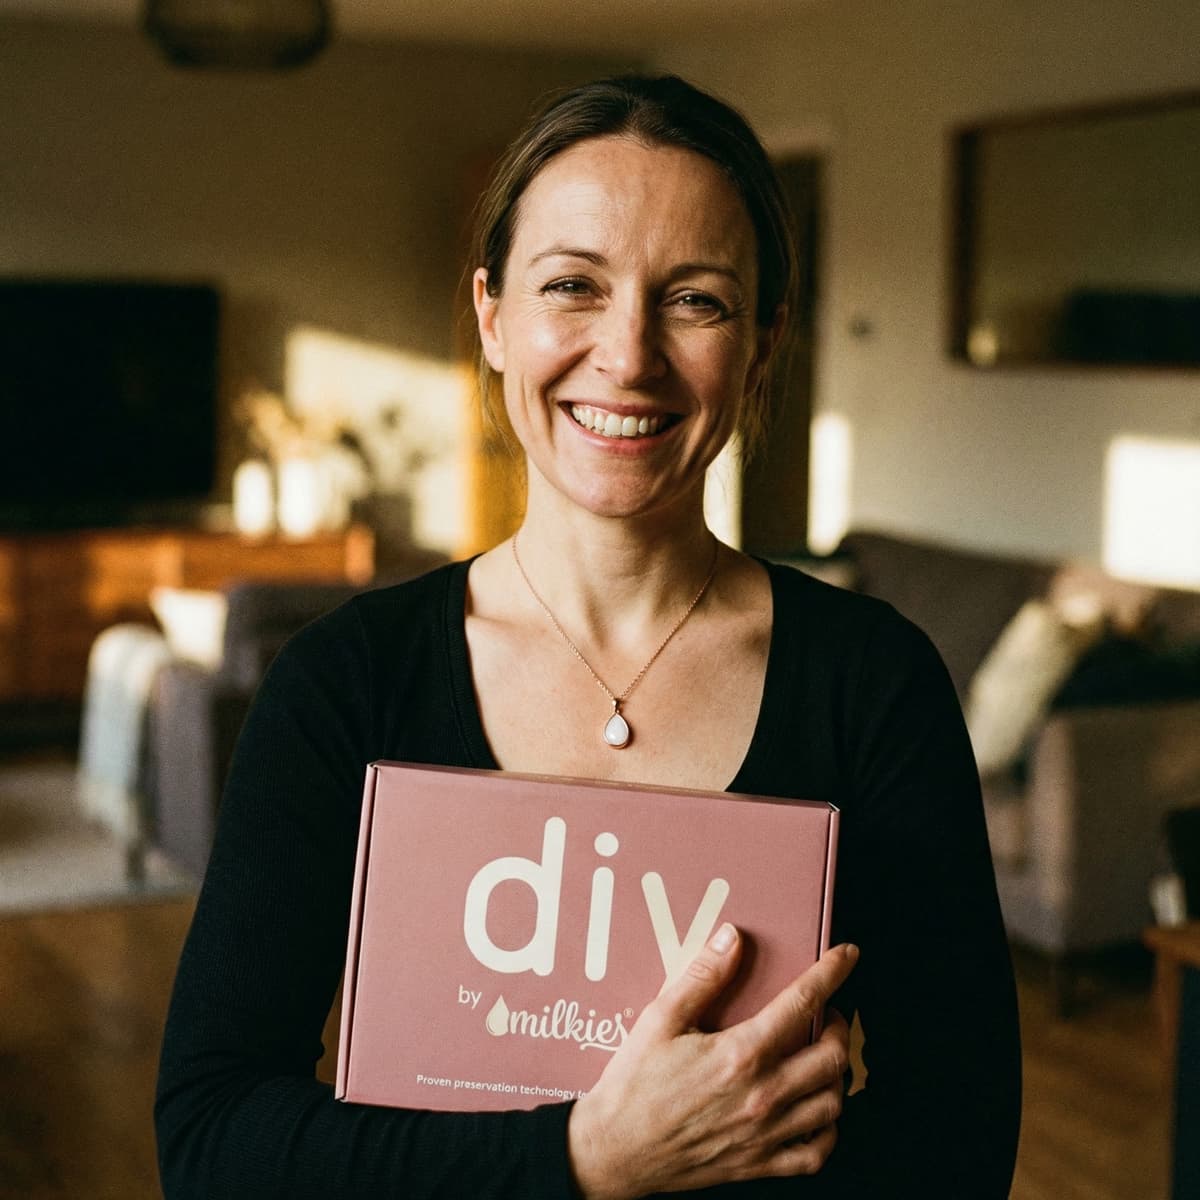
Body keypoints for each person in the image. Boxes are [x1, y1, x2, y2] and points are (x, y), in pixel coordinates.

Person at [156, 74, 1021, 1198]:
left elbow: (957, 1133)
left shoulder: (873, 683)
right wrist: (587, 1161)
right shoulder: (345, 684)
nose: (628, 356)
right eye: (572, 285)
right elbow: (212, 1140)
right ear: (492, 318)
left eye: (697, 301)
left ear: (763, 347)